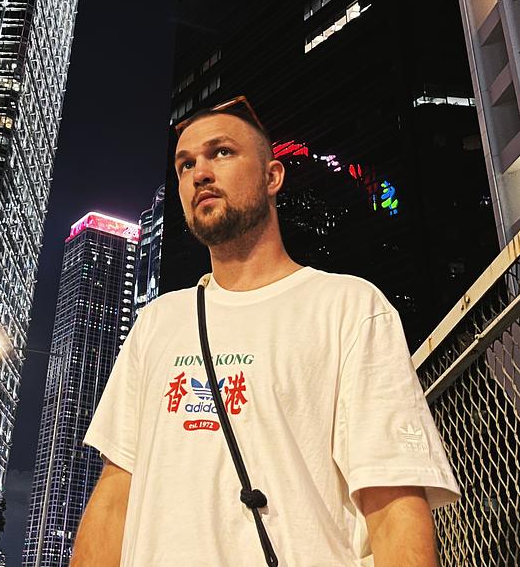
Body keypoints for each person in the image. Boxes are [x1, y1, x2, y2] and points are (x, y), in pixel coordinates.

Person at [72, 96, 459, 566]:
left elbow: (395, 507)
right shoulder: (156, 323)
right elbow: (115, 498)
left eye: (221, 152)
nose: (199, 173)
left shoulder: (349, 308)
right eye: (185, 164)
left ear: (273, 176)